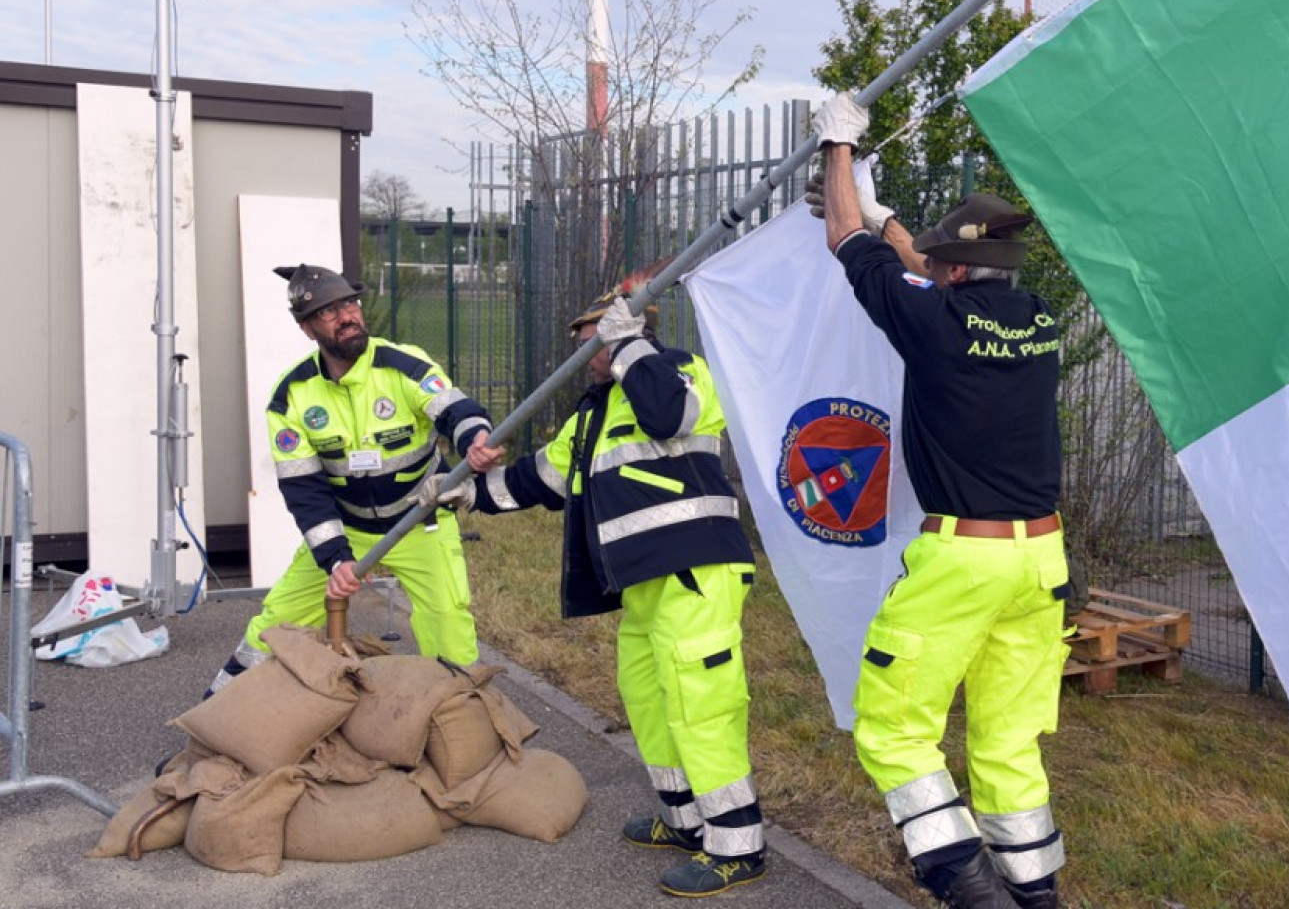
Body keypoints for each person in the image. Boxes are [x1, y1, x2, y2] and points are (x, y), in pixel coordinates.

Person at [812, 94, 1070, 909]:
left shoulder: (935, 322)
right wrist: (897, 220)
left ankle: (973, 894)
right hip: (1043, 561)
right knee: (1007, 743)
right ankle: (1036, 896)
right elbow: (921, 270)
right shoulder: (1038, 320)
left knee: (893, 727)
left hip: (964, 560)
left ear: (954, 274)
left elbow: (844, 242)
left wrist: (839, 147)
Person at [463, 271, 765, 898]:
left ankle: (738, 844)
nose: (582, 356)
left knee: (700, 707)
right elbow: (537, 479)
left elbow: (668, 416)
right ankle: (685, 821)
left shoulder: (677, 372)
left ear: (623, 332)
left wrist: (630, 347)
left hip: (696, 573)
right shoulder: (593, 413)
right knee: (650, 701)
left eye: (589, 341)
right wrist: (463, 492)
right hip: (643, 586)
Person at [207, 263, 505, 694]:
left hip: (421, 521)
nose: (347, 316)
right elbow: (304, 489)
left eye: (351, 303)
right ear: (308, 329)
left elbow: (454, 407)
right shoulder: (291, 396)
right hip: (348, 527)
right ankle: (217, 713)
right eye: (330, 311)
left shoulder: (403, 364)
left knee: (450, 630)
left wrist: (475, 435)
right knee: (274, 624)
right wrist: (335, 559)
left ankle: (468, 726)